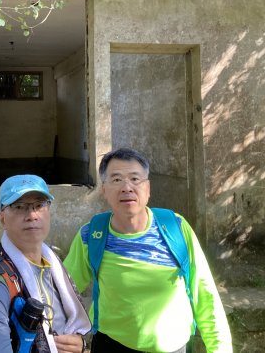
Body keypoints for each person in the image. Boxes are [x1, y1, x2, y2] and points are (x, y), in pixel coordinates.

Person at [63, 148, 232, 353]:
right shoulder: (92, 235)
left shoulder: (175, 228)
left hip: (174, 347)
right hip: (111, 345)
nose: (127, 187)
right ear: (104, 190)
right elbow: (63, 292)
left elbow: (205, 294)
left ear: (148, 188)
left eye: (135, 179)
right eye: (116, 180)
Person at [0, 174, 92, 353]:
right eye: (19, 206)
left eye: (39, 205)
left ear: (49, 211)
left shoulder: (53, 266)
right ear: (2, 219)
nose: (31, 215)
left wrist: (81, 345)